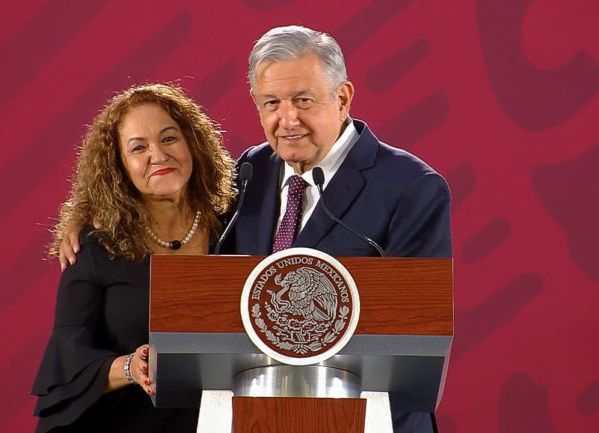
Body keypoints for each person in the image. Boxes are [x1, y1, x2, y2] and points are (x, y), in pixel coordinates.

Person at [59, 26, 452, 433]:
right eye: (272, 103)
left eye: (303, 100)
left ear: (342, 98)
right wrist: (91, 213)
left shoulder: (411, 188)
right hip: (253, 418)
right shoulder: (251, 170)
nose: (288, 119)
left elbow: (414, 337)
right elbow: (176, 202)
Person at [32, 83, 237, 433]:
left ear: (193, 143)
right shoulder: (96, 247)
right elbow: (69, 356)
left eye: (169, 138)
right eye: (138, 148)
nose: (158, 155)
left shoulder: (236, 225)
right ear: (119, 167)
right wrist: (131, 367)